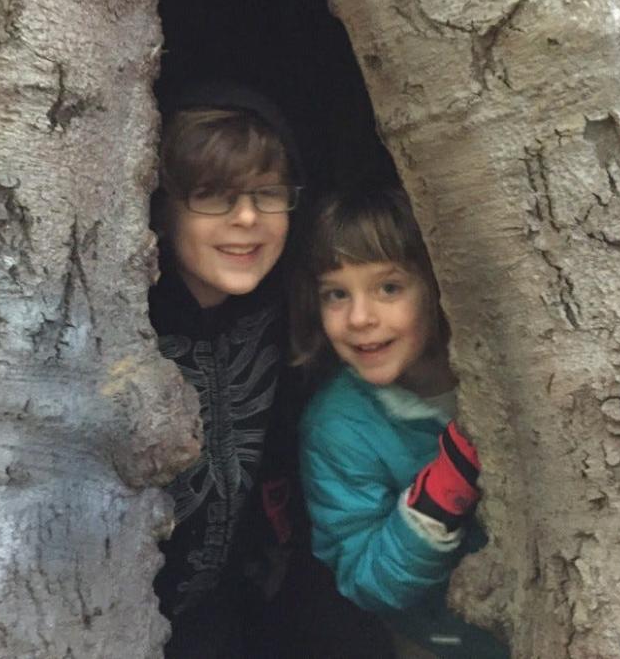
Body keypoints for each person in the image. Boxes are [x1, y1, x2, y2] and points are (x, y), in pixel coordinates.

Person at [291, 188, 509, 659]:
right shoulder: (339, 427)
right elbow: (365, 579)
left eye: (388, 288)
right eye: (336, 294)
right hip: (439, 642)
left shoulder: (506, 374)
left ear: (435, 285)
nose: (360, 318)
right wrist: (437, 501)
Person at [149, 82, 306, 657]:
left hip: (232, 617)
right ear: (165, 210)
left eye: (267, 193)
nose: (246, 218)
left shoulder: (290, 308)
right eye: (213, 195)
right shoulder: (123, 321)